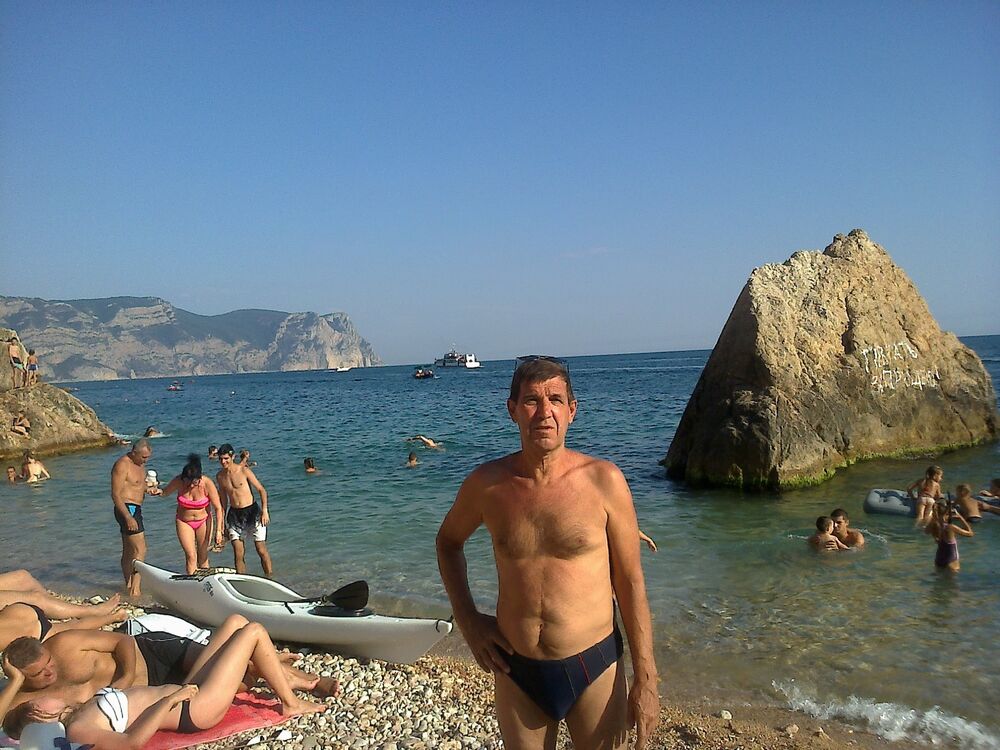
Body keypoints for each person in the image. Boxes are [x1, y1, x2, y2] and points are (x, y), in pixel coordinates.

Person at [436, 357, 659, 749]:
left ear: (572, 410)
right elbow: (448, 543)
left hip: (594, 664)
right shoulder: (487, 485)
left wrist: (646, 677)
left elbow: (630, 582)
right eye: (531, 400)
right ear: (512, 410)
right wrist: (469, 621)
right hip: (516, 668)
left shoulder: (603, 481)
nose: (544, 412)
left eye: (555, 399)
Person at [2, 620, 329, 746]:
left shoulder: (65, 650)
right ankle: (290, 699)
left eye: (48, 663)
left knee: (237, 624)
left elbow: (124, 640)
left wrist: (126, 679)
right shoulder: (74, 727)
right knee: (253, 633)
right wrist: (169, 701)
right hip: (191, 705)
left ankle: (287, 674)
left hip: (165, 669)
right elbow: (130, 743)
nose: (50, 672)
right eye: (39, 674)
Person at [111, 439, 163, 597]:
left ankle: (128, 585)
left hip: (135, 508)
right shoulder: (122, 465)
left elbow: (137, 485)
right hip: (127, 509)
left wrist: (149, 489)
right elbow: (115, 494)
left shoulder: (140, 465)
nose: (145, 460)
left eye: (147, 457)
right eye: (143, 457)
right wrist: (128, 517)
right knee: (140, 549)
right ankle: (135, 590)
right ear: (134, 453)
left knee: (129, 551)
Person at [159, 455, 225, 574]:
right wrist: (155, 490)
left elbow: (218, 508)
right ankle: (192, 580)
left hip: (203, 521)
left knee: (203, 555)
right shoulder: (179, 481)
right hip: (184, 521)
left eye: (195, 483)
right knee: (191, 556)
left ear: (199, 479)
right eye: (188, 482)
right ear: (184, 478)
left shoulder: (207, 483)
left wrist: (219, 531)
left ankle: (204, 581)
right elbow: (164, 492)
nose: (191, 486)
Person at [216, 444, 272, 577]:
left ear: (232, 457)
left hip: (252, 512)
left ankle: (270, 578)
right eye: (221, 459)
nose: (223, 462)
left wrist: (265, 511)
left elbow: (261, 490)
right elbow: (223, 502)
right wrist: (221, 525)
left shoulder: (243, 471)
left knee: (261, 550)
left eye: (226, 458)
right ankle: (242, 580)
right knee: (238, 553)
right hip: (234, 515)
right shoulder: (220, 476)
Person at [0, 595, 125, 653]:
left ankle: (115, 616)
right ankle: (99, 611)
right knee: (72, 625)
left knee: (73, 627)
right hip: (19, 611)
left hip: (31, 631)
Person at [926, 501, 974, 572]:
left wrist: (934, 518)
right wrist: (960, 518)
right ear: (947, 514)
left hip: (939, 560)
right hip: (951, 561)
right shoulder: (950, 527)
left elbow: (927, 532)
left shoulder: (934, 526)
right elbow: (970, 534)